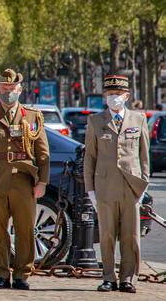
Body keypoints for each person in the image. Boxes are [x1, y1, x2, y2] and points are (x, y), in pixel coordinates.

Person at [0, 68, 50, 291]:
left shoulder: (33, 117)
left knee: (25, 229)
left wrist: (42, 182)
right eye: (4, 88)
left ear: (20, 90)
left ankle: (23, 274)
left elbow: (43, 154)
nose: (8, 92)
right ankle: (2, 273)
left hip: (23, 179)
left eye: (11, 88)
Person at [84, 74, 149, 293]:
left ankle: (128, 278)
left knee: (131, 236)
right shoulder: (95, 121)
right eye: (110, 94)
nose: (114, 98)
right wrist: (90, 190)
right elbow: (89, 159)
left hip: (131, 187)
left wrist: (144, 185)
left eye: (118, 94)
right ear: (105, 96)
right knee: (107, 235)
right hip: (105, 187)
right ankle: (108, 277)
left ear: (127, 96)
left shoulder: (139, 119)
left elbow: (144, 156)